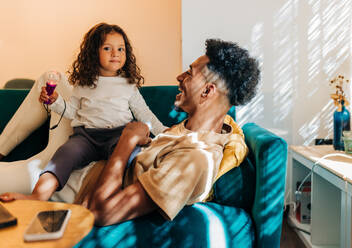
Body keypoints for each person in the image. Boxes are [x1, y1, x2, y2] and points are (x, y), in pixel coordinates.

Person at [80, 38, 260, 226]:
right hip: (84, 171)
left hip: (77, 192)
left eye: (189, 73)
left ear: (207, 91)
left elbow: (102, 213)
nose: (180, 77)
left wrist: (128, 139)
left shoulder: (194, 159)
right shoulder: (188, 130)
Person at [0, 23, 165, 202]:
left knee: (133, 157)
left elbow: (144, 114)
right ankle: (38, 196)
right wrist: (55, 102)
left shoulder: (128, 85)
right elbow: (71, 112)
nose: (115, 53)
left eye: (121, 49)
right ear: (94, 53)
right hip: (86, 137)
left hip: (117, 136)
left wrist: (165, 132)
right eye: (107, 48)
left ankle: (121, 196)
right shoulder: (84, 84)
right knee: (63, 156)